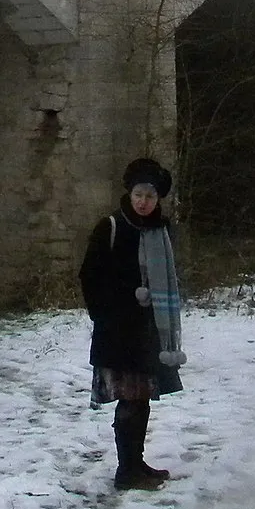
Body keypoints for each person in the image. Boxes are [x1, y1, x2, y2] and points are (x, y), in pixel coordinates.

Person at [79, 157, 184, 491]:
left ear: (157, 199)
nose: (143, 201)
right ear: (130, 192)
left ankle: (136, 462)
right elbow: (89, 276)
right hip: (118, 332)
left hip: (149, 332)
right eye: (139, 194)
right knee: (130, 398)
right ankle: (126, 472)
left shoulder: (159, 231)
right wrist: (104, 314)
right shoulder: (110, 227)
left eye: (150, 196)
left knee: (142, 399)